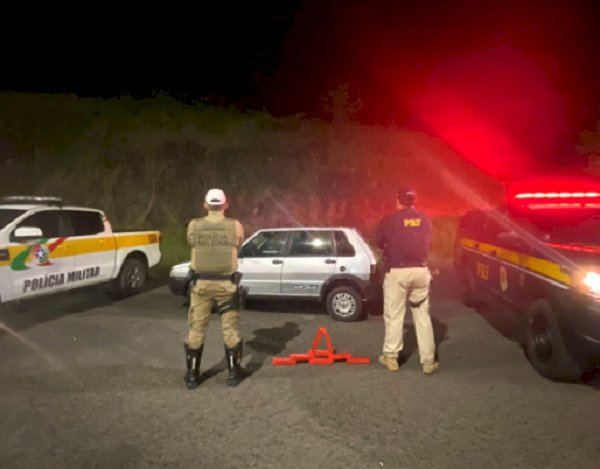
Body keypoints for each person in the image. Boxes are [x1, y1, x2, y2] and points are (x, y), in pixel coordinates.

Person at [183, 188, 246, 389]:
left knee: (197, 329)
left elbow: (191, 241)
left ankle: (192, 375)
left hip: (201, 287)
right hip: (227, 287)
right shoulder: (235, 226)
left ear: (205, 205)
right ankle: (233, 374)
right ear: (225, 205)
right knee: (230, 329)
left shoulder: (194, 225)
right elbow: (239, 244)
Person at [375, 186, 439, 375]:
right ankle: (428, 362)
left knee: (394, 316)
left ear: (398, 200)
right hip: (420, 270)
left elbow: (379, 242)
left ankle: (391, 358)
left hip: (397, 272)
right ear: (414, 201)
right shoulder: (425, 220)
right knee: (423, 317)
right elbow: (430, 242)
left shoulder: (389, 221)